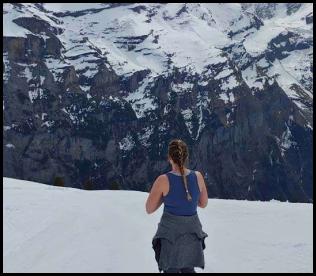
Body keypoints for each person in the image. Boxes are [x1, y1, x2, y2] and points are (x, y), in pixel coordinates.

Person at [145, 139, 208, 273]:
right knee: (188, 269)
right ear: (186, 157)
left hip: (170, 238)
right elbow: (203, 204)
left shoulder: (163, 180)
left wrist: (164, 197)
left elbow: (149, 209)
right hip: (192, 236)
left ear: (169, 157)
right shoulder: (198, 176)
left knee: (171, 269)